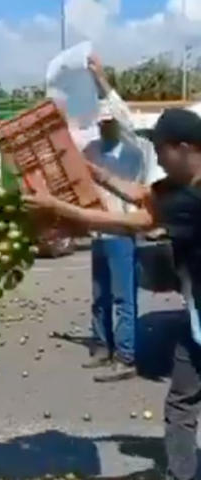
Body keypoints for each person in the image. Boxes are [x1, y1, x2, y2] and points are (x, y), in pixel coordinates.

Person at [24, 107, 201, 480]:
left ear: (185, 148)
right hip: (197, 319)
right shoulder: (178, 186)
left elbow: (129, 222)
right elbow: (140, 194)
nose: (158, 158)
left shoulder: (192, 199)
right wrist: (93, 173)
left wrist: (58, 208)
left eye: (162, 150)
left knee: (183, 402)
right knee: (182, 402)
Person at [77, 55, 161, 382]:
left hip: (123, 233)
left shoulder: (134, 150)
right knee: (99, 295)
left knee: (123, 298)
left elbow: (126, 117)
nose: (106, 125)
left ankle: (126, 357)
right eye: (102, 122)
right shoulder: (93, 150)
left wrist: (101, 78)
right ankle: (102, 346)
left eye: (110, 121)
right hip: (100, 233)